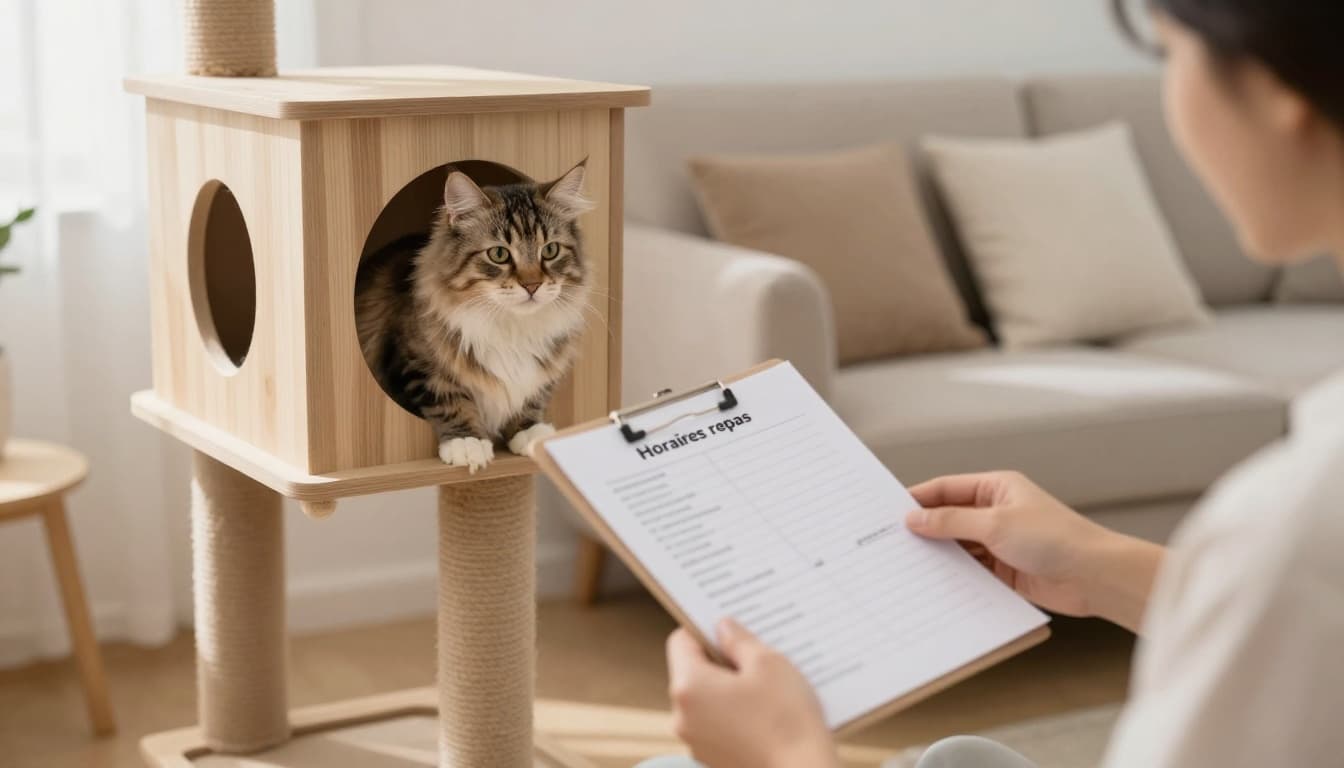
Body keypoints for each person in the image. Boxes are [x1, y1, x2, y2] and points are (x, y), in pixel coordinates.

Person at [644, 0, 1344, 765]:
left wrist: (786, 755)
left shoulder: (1295, 525)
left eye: (1169, 51)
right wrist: (1099, 567)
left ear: (1278, 92)